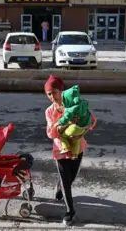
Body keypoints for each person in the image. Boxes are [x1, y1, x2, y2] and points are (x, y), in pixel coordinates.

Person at [44, 74, 97, 226]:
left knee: (71, 178)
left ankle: (60, 185)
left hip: (77, 147)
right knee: (66, 181)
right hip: (60, 150)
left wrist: (81, 131)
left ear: (61, 91)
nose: (52, 96)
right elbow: (52, 132)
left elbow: (91, 121)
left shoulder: (75, 104)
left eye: (54, 92)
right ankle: (70, 212)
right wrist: (65, 125)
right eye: (49, 94)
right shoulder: (49, 111)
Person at [55, 85, 93, 159]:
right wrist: (82, 134)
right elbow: (91, 118)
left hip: (76, 127)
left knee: (63, 135)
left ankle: (66, 148)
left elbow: (65, 119)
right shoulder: (83, 103)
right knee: (77, 139)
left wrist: (58, 123)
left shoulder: (70, 109)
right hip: (83, 127)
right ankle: (75, 154)